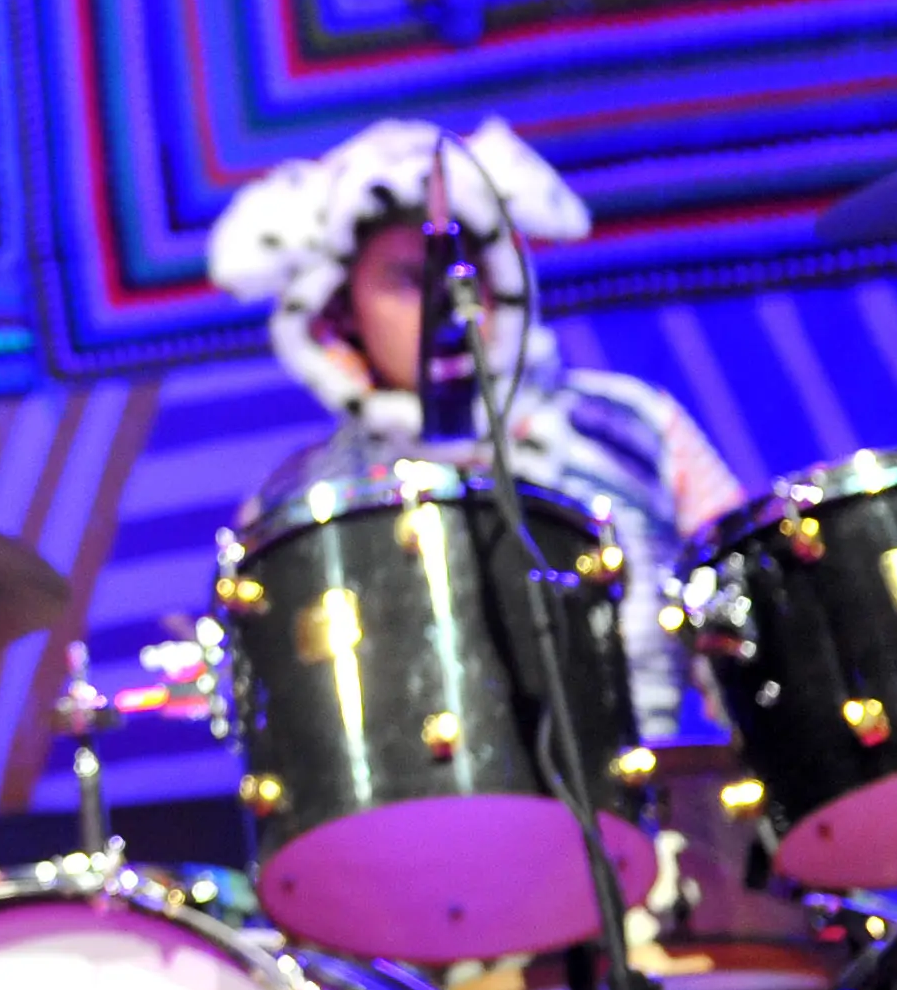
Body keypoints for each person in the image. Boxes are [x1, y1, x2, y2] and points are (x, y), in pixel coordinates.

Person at [209, 115, 748, 738]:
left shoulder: (636, 427)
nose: (445, 301)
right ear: (341, 307)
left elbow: (750, 630)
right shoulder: (292, 506)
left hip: (645, 792)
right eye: (407, 280)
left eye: (464, 269)